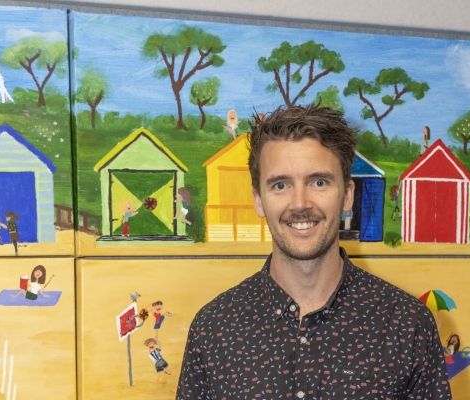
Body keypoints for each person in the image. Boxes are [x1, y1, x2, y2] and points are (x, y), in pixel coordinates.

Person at [177, 105, 451, 399]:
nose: (300, 203)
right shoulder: (213, 329)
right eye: (280, 185)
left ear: (347, 195)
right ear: (258, 200)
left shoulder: (407, 325)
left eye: (319, 182)